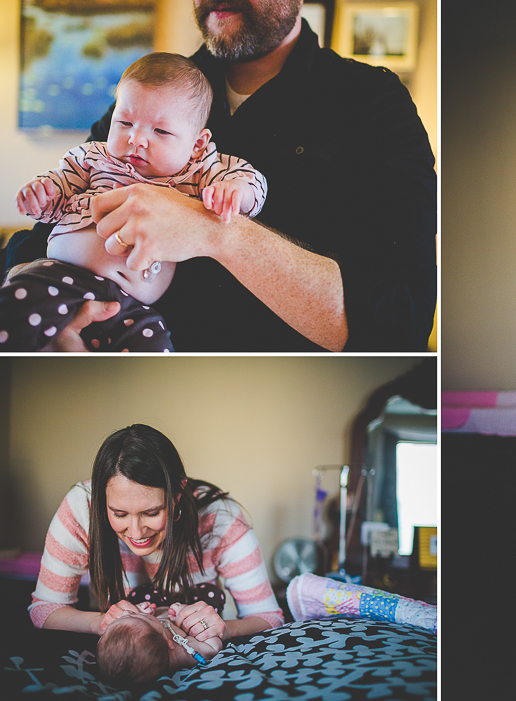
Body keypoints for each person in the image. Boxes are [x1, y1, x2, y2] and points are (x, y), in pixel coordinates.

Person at [4, 0, 437, 352]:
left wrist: (217, 233)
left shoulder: (375, 105)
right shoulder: (153, 93)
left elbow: (402, 327)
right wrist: (51, 336)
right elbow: (39, 236)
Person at [3, 52, 266, 352]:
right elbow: (59, 189)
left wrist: (236, 192)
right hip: (58, 279)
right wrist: (42, 195)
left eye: (161, 131)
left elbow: (250, 178)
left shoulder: (198, 173)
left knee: (155, 355)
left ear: (197, 145)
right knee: (13, 317)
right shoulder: (94, 158)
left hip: (134, 307)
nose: (136, 139)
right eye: (125, 122)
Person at [29, 424, 284, 644]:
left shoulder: (221, 519)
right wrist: (99, 623)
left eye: (151, 513)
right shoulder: (80, 510)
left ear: (177, 495)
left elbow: (268, 616)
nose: (137, 532)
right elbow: (45, 609)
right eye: (119, 514)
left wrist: (227, 628)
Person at [96, 600, 222, 686]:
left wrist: (139, 611)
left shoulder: (142, 636)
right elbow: (213, 647)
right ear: (169, 643)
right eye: (135, 616)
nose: (125, 612)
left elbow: (131, 628)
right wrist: (185, 613)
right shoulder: (183, 652)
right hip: (183, 607)